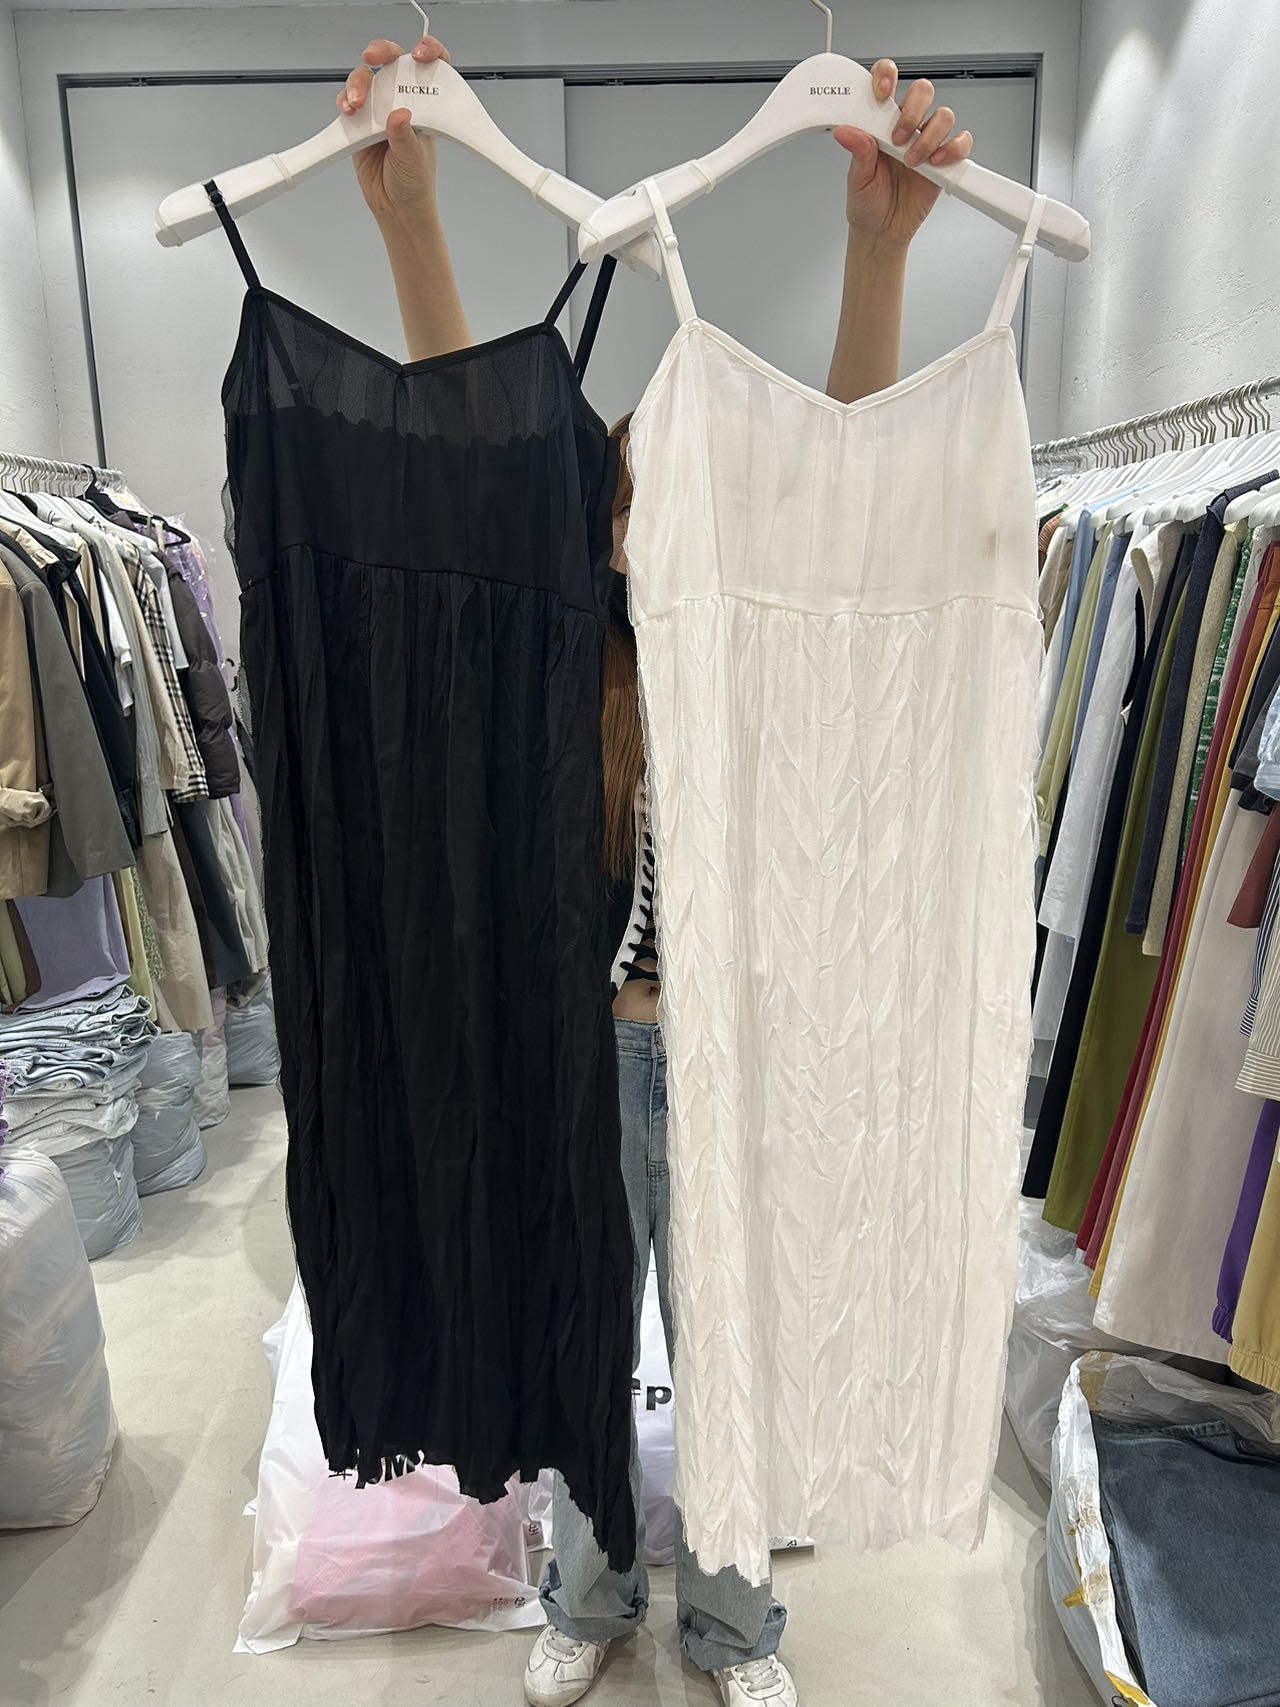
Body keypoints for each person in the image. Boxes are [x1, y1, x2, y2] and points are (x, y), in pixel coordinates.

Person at [341, 33, 975, 1707]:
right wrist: (414, 227)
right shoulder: (564, 673)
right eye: (630, 503)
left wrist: (876, 258)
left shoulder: (757, 662)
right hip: (582, 1054)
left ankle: (738, 1623)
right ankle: (594, 1589)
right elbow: (471, 463)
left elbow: (849, 494)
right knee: (578, 1335)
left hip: (733, 1058)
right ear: (604, 523)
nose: (651, 531)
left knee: (736, 1350)